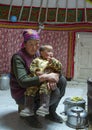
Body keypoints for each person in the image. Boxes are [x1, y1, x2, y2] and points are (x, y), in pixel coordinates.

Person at [10, 29, 67, 128]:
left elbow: (52, 67)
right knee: (55, 93)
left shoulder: (38, 55)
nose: (34, 47)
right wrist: (46, 77)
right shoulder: (18, 57)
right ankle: (29, 114)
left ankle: (50, 112)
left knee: (62, 81)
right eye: (31, 44)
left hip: (38, 84)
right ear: (25, 44)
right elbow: (23, 82)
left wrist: (54, 77)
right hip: (23, 91)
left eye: (36, 44)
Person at [20, 44, 62, 117]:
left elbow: (59, 68)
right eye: (48, 51)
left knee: (45, 88)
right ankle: (28, 108)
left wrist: (53, 61)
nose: (51, 53)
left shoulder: (53, 61)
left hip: (47, 80)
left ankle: (44, 107)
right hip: (37, 79)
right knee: (30, 89)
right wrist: (36, 71)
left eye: (52, 51)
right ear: (41, 52)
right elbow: (32, 67)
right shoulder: (37, 60)